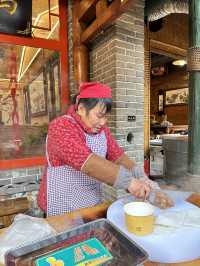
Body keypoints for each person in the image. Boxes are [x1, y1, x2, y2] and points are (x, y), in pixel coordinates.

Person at [38, 82, 172, 216]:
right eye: (99, 115)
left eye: (105, 116)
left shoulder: (102, 130)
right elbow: (87, 162)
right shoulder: (61, 126)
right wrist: (129, 182)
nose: (103, 122)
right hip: (63, 206)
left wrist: (142, 177)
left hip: (91, 203)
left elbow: (118, 156)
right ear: (81, 109)